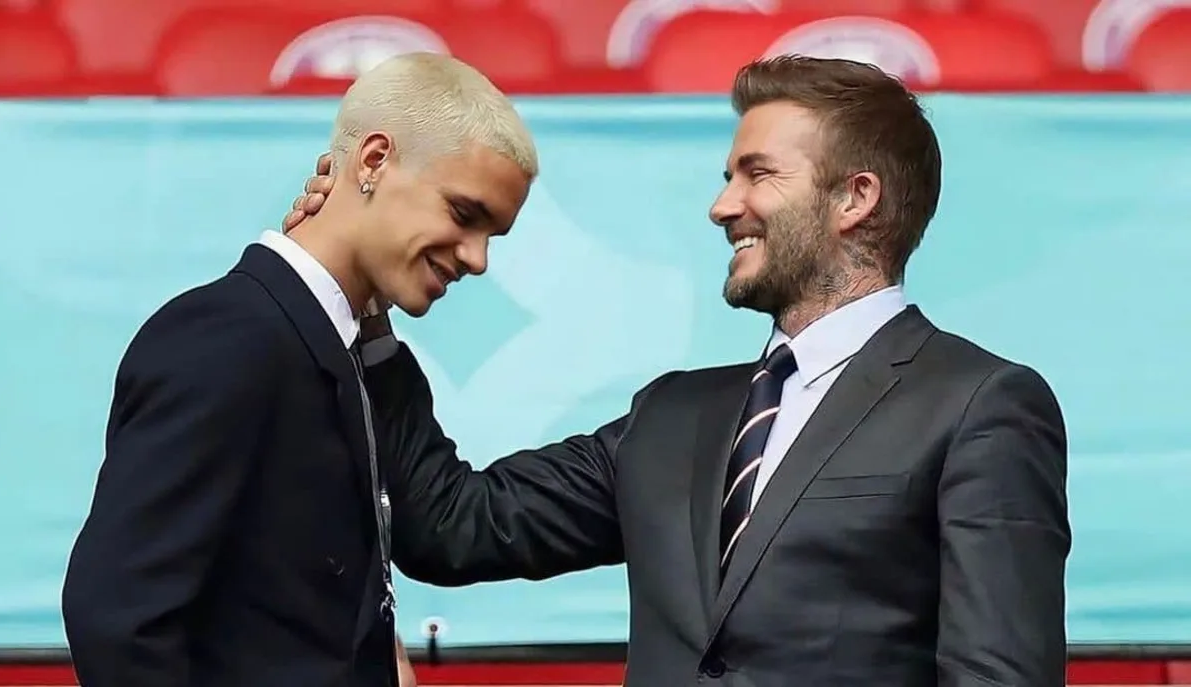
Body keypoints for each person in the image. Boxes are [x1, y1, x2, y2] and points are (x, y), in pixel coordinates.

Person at [288, 56, 1070, 686]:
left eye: (756, 174)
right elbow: (454, 526)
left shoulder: (979, 406)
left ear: (855, 198)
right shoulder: (672, 416)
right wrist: (366, 317)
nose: (722, 206)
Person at [61, 52, 537, 687]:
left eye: (493, 236)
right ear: (374, 161)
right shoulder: (231, 337)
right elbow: (118, 620)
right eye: (463, 214)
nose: (478, 259)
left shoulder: (336, 343)